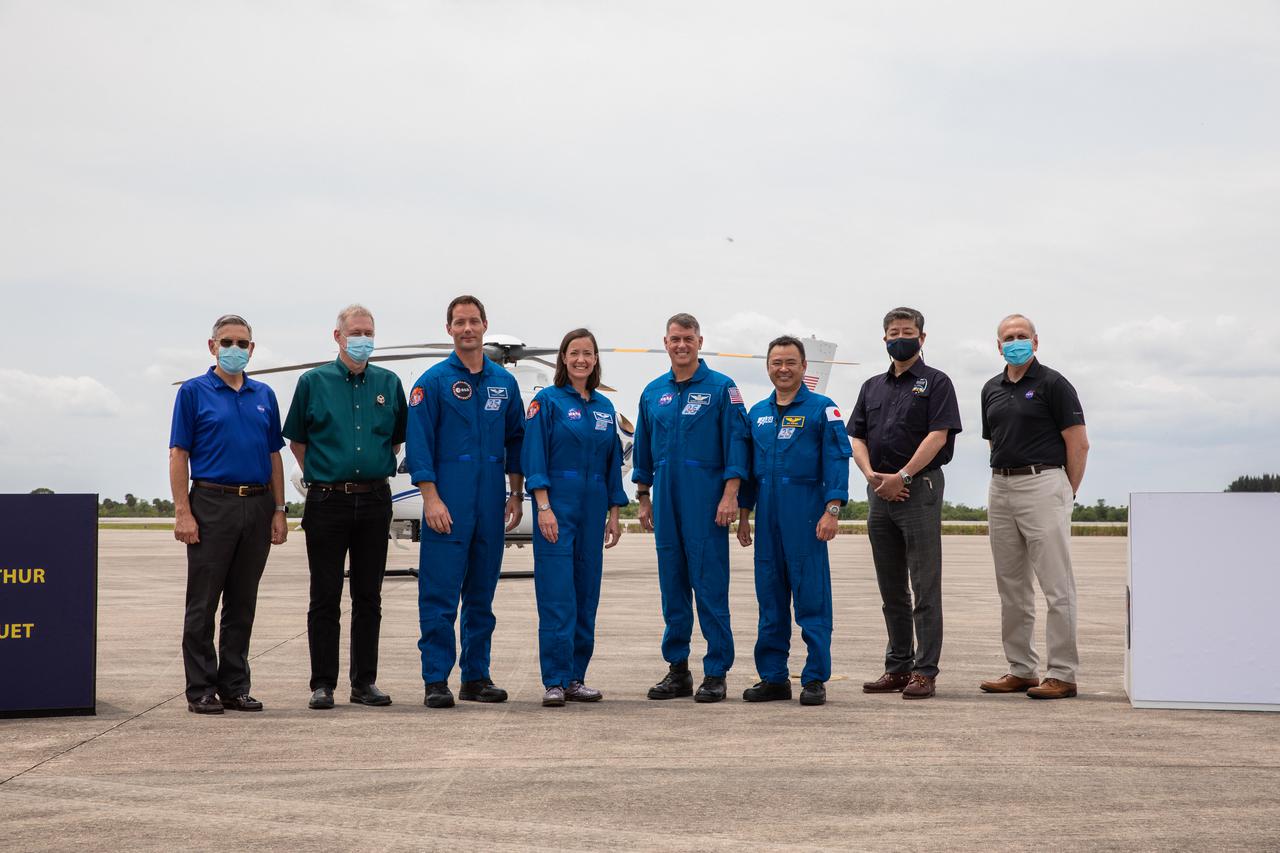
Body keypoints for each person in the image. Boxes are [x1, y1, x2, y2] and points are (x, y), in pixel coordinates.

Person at [283, 304, 407, 711]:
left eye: (368, 332)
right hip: (327, 501)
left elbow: (396, 439)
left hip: (374, 499)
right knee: (325, 595)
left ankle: (364, 682)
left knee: (368, 596)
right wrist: (324, 474)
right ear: (337, 336)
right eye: (355, 332)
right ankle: (323, 684)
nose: (362, 338)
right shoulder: (312, 382)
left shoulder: (389, 383)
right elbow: (297, 440)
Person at [404, 295, 525, 709]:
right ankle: (436, 678)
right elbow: (419, 447)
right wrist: (431, 499)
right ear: (449, 329)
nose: (467, 328)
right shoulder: (432, 383)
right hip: (448, 501)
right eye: (460, 322)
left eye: (474, 321)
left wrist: (514, 493)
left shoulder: (504, 383)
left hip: (490, 502)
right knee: (439, 594)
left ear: (485, 325)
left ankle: (476, 676)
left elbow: (515, 441)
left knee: (481, 596)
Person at [169, 314, 288, 714]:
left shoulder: (264, 394)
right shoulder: (193, 392)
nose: (234, 349)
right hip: (211, 502)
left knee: (242, 602)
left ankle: (234, 685)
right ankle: (200, 688)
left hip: (256, 503)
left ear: (252, 349)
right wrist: (182, 512)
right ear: (212, 346)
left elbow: (274, 456)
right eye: (227, 342)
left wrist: (278, 509)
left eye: (242, 343)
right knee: (203, 603)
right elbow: (178, 455)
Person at [632, 312, 750, 703]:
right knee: (672, 586)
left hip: (706, 498)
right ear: (665, 343)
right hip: (665, 497)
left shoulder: (722, 388)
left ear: (700, 342)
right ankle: (677, 669)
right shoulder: (652, 392)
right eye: (674, 339)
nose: (681, 345)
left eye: (688, 338)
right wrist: (644, 497)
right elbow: (644, 450)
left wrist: (730, 493)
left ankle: (716, 671)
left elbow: (737, 442)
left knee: (710, 585)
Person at [848, 307, 962, 700]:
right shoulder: (871, 387)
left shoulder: (936, 382)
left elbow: (939, 435)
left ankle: (925, 670)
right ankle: (897, 665)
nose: (900, 337)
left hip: (919, 489)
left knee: (924, 584)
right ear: (884, 339)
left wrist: (904, 476)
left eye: (908, 331)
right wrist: (871, 477)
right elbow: (856, 436)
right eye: (893, 332)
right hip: (878, 491)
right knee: (891, 586)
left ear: (922, 338)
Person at [737, 336, 852, 706]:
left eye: (790, 362)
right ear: (767, 367)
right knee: (769, 600)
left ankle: (815, 677)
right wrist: (743, 516)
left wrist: (832, 509)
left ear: (804, 367)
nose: (783, 369)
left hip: (806, 512)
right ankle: (773, 677)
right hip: (766, 514)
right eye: (776, 363)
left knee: (812, 599)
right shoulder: (757, 413)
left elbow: (837, 459)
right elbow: (750, 471)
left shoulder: (823, 409)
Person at [979, 314, 1089, 700]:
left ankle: (1062, 672)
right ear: (998, 346)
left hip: (1043, 482)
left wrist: (1065, 492)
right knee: (1012, 586)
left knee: (1056, 586)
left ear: (1036, 342)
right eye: (1008, 337)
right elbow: (994, 441)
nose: (1015, 341)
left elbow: (1078, 443)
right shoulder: (990, 388)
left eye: (1022, 336)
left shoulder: (1053, 384)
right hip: (1002, 485)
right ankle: (1021, 669)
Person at [521, 329, 628, 707]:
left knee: (586, 596)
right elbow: (534, 456)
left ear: (596, 359)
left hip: (594, 506)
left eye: (588, 353)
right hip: (557, 506)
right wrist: (544, 506)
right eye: (574, 353)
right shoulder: (546, 403)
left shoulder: (603, 408)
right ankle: (554, 679)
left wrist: (614, 514)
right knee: (556, 596)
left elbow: (612, 465)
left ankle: (575, 678)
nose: (581, 359)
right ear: (563, 359)